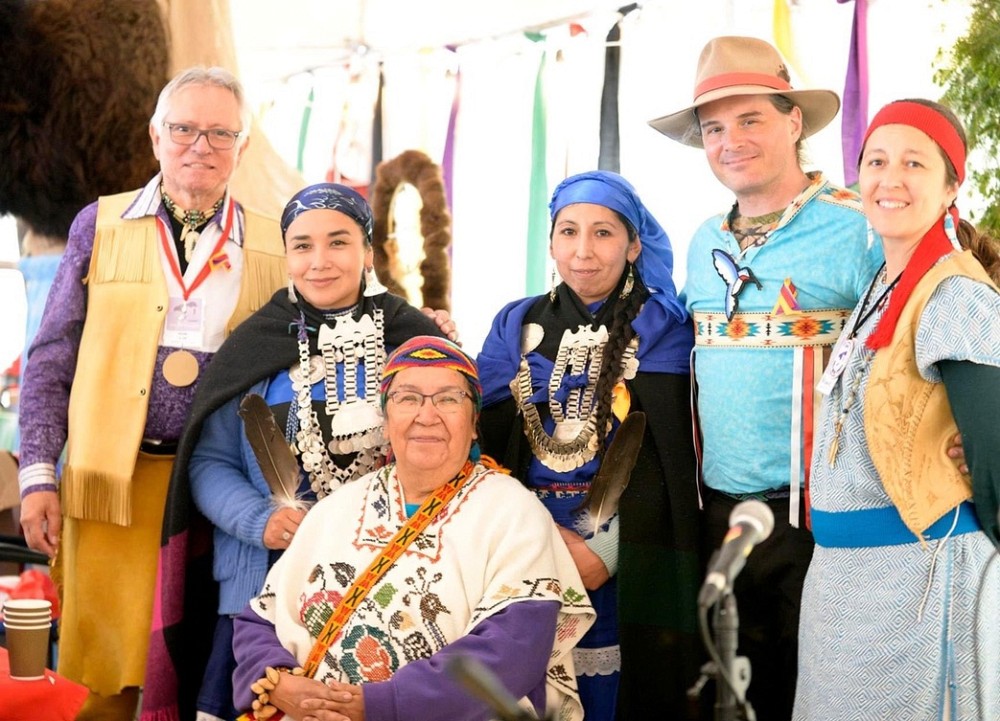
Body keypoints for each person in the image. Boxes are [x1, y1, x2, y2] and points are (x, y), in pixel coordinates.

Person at [15, 66, 287, 721]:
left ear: (243, 146)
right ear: (155, 136)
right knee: (101, 675)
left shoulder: (275, 243)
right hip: (109, 486)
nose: (201, 146)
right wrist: (37, 473)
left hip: (214, 494)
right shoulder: (99, 224)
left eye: (220, 133)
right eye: (184, 129)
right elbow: (51, 356)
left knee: (192, 668)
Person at [646, 36, 883, 720]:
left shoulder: (859, 228)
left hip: (823, 518)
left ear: (794, 121)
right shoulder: (703, 241)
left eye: (750, 119)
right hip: (719, 515)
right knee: (732, 696)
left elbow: (913, 347)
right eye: (714, 128)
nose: (731, 141)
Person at [159, 182, 447, 720]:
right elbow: (209, 461)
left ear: (368, 251)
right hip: (263, 585)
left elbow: (452, 453)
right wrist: (260, 520)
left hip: (387, 583)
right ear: (286, 254)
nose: (319, 261)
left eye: (338, 242)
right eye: (302, 245)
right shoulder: (254, 343)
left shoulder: (414, 340)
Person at [231, 335, 595, 721]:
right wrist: (278, 681)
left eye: (448, 399)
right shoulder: (336, 509)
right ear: (386, 422)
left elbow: (514, 651)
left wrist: (380, 704)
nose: (427, 415)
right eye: (407, 398)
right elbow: (261, 619)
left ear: (474, 423)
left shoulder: (513, 512)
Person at [794, 99, 1000, 720]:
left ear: (951, 187)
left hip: (920, 585)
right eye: (877, 161)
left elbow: (995, 456)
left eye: (915, 163)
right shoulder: (879, 288)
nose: (891, 178)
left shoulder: (955, 292)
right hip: (843, 584)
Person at [477, 170, 702, 719]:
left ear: (633, 245)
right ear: (551, 241)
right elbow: (483, 444)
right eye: (569, 231)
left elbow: (674, 461)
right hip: (525, 544)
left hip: (626, 552)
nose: (583, 251)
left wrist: (606, 551)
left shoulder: (664, 329)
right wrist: (534, 539)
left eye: (603, 233)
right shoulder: (514, 324)